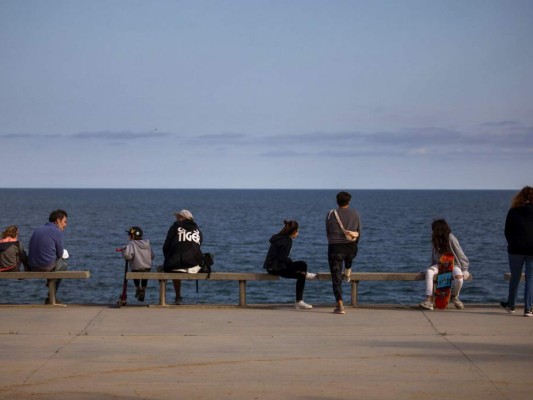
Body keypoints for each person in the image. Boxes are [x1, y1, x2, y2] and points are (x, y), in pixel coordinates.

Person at [263, 220, 317, 310]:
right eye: (298, 231)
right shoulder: (287, 240)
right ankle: (299, 301)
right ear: (294, 231)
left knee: (300, 275)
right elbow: (282, 258)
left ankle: (304, 278)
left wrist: (291, 264)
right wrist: (291, 263)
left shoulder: (278, 237)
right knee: (303, 265)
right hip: (277, 268)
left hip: (270, 268)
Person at [419, 219, 470, 311]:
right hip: (440, 264)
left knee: (459, 278)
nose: (432, 231)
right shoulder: (435, 239)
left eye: (434, 229)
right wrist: (430, 267)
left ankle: (454, 296)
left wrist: (465, 269)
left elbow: (460, 254)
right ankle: (429, 300)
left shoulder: (451, 238)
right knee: (429, 272)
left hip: (454, 265)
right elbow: (433, 256)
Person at [326, 191, 361, 314]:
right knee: (349, 256)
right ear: (349, 201)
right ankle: (348, 269)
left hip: (335, 249)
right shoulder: (355, 213)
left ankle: (340, 304)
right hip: (351, 249)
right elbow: (359, 233)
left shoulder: (331, 214)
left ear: (337, 201)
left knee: (336, 277)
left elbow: (328, 233)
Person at [501, 186, 533, 317]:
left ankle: (511, 305)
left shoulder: (513, 211)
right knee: (530, 278)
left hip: (515, 250)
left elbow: (507, 231)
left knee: (515, 277)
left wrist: (512, 243)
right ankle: (528, 309)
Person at [163, 210, 204, 305]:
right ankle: (178, 297)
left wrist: (169, 258)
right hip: (194, 266)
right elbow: (198, 246)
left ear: (183, 218)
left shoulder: (174, 228)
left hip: (175, 266)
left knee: (175, 265)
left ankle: (177, 296)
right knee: (178, 262)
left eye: (178, 217)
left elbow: (166, 247)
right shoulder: (198, 231)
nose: (176, 219)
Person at [28, 209, 69, 304]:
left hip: (32, 266)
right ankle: (51, 296)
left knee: (52, 261)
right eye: (65, 222)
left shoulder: (37, 229)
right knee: (65, 261)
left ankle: (51, 282)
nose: (65, 225)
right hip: (46, 267)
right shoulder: (57, 231)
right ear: (58, 221)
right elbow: (60, 254)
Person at [122, 226, 154, 302]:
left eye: (129, 235)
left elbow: (128, 256)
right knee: (145, 275)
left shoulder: (132, 243)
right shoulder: (147, 243)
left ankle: (138, 288)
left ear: (132, 236)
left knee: (135, 271)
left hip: (136, 268)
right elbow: (152, 256)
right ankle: (143, 289)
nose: (128, 237)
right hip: (147, 268)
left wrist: (124, 249)